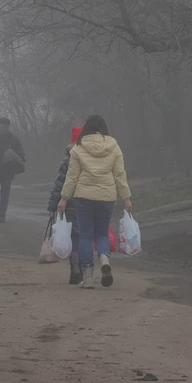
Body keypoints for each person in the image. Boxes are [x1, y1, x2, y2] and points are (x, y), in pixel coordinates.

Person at [58, 115, 132, 289]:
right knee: (102, 234)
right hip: (106, 196)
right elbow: (120, 175)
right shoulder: (114, 146)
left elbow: (72, 177)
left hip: (83, 196)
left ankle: (89, 277)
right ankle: (104, 259)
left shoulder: (78, 147)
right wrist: (126, 199)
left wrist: (63, 198)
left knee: (85, 236)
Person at [48, 127, 83, 285]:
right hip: (88, 202)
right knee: (85, 236)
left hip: (69, 204)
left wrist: (52, 205)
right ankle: (87, 268)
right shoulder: (94, 157)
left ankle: (75, 268)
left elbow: (59, 184)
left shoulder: (68, 159)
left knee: (74, 236)